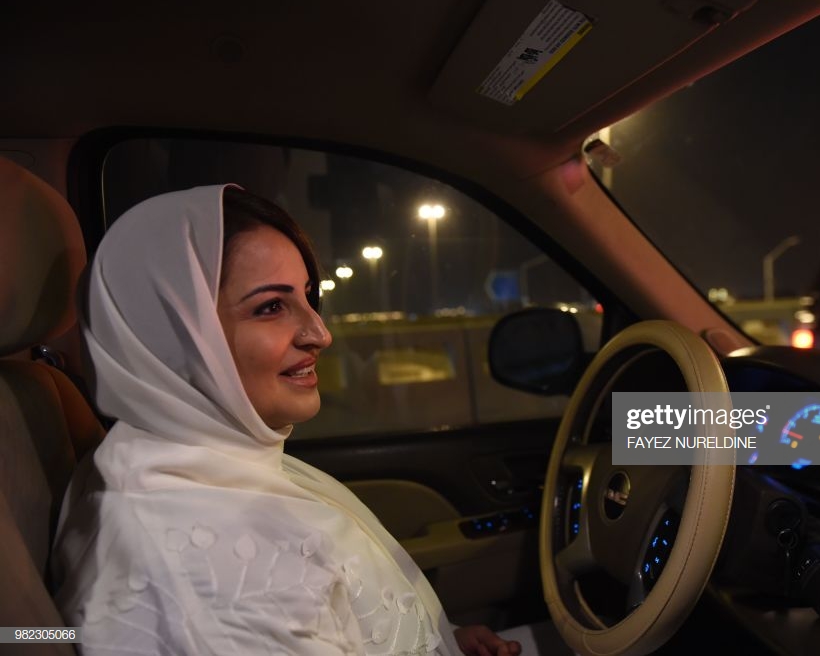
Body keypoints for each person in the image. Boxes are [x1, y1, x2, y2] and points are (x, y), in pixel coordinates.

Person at [52, 185, 522, 656]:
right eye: (271, 307)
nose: (320, 332)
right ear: (174, 339)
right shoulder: (202, 573)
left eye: (308, 297)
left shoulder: (204, 460)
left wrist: (444, 642)